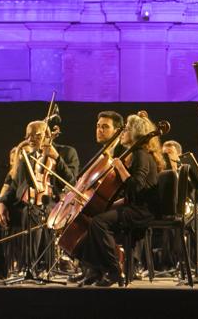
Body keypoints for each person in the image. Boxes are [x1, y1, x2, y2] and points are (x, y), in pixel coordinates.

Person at [72, 113, 163, 286]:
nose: (122, 132)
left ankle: (114, 272)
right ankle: (96, 270)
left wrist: (120, 167)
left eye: (127, 129)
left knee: (99, 222)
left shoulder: (141, 154)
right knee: (93, 218)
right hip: (134, 207)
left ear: (136, 134)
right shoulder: (135, 153)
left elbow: (136, 187)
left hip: (142, 212)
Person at [0, 120, 58, 279]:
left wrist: (56, 157)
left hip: (46, 204)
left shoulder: (59, 156)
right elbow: (14, 187)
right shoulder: (25, 159)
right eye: (28, 135)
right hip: (22, 203)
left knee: (29, 214)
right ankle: (0, 265)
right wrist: (1, 203)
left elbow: (66, 180)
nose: (31, 139)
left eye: (37, 135)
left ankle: (31, 266)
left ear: (47, 137)